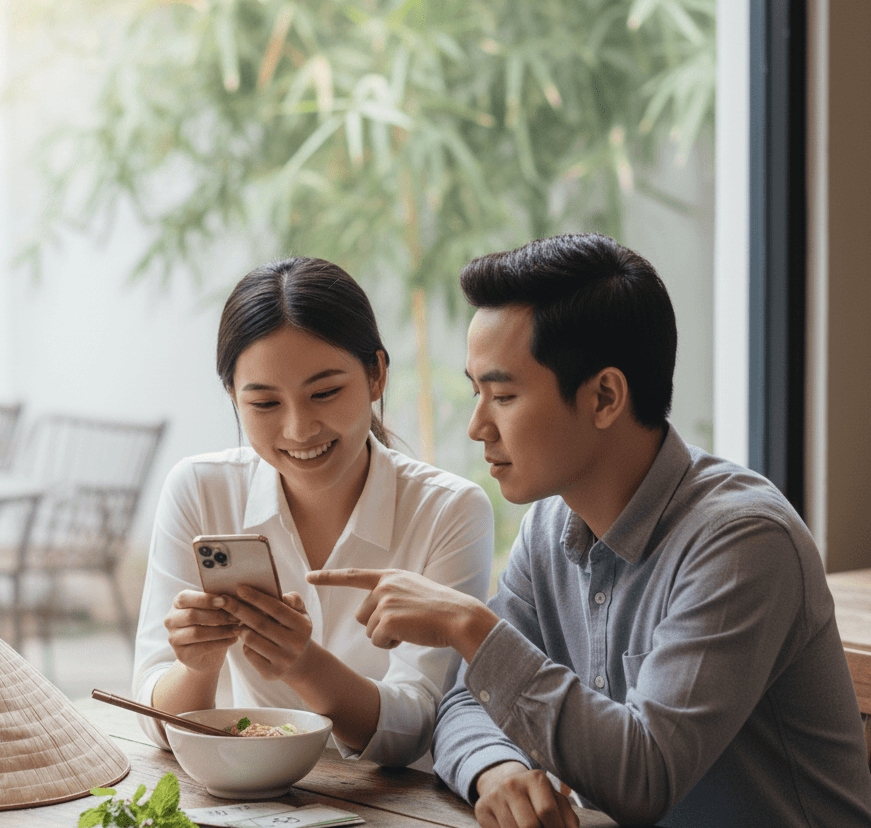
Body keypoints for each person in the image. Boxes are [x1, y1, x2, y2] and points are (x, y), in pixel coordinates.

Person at [309, 234, 871, 826]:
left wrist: (467, 624)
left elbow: (645, 776)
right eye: (477, 392)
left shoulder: (743, 543)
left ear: (605, 396)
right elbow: (467, 701)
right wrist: (494, 769)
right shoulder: (550, 527)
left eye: (502, 395)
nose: (477, 426)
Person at [132, 256, 494, 768]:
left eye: (324, 393)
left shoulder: (449, 511)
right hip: (250, 798)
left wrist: (304, 665)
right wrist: (199, 666)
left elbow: (420, 723)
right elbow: (154, 717)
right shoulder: (199, 489)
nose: (300, 429)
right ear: (232, 397)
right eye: (264, 404)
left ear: (377, 376)